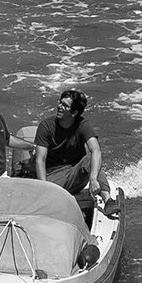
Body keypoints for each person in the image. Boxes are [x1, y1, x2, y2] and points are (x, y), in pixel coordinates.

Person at [33, 86, 102, 216]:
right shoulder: (46, 126)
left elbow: (96, 150)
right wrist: (45, 190)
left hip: (73, 173)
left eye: (65, 105)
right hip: (53, 176)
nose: (59, 106)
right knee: (92, 162)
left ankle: (107, 199)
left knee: (93, 159)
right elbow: (40, 160)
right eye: (60, 102)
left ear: (74, 112)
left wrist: (93, 179)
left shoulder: (82, 124)